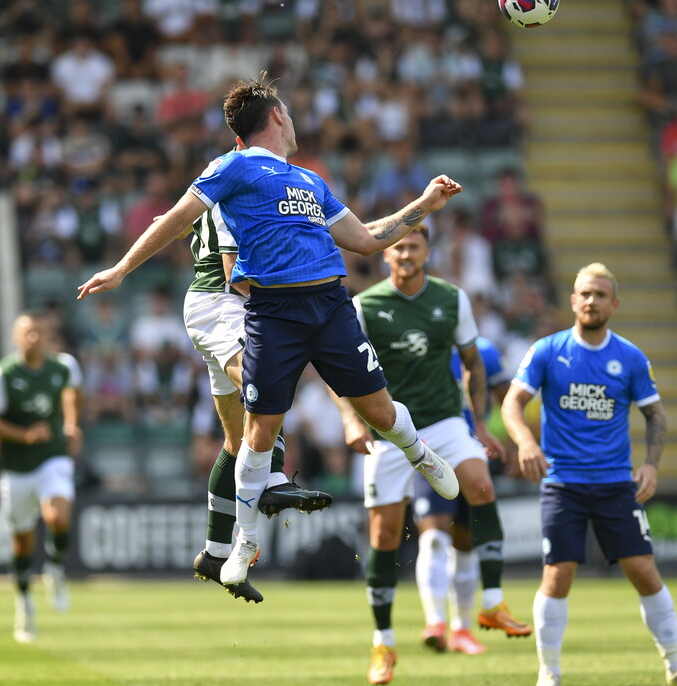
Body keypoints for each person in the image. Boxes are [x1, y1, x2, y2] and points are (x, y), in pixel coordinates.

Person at [77, 74, 461, 598]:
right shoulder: (232, 167)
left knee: (381, 412)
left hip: (330, 305)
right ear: (277, 115)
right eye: (290, 112)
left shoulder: (309, 181)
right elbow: (177, 218)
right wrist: (123, 268)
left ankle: (419, 454)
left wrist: (425, 205)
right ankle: (243, 541)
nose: (295, 120)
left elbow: (368, 240)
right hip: (272, 313)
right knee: (260, 431)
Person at [500, 263, 677, 686]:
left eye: (600, 294)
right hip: (563, 483)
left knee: (645, 572)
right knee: (557, 575)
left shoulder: (630, 358)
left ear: (614, 303)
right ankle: (550, 673)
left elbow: (655, 415)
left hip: (616, 483)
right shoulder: (547, 350)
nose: (591, 301)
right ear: (573, 300)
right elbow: (511, 404)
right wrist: (525, 442)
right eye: (584, 293)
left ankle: (676, 667)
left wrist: (651, 463)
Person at [339, 228, 528, 684]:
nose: (405, 253)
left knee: (480, 484)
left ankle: (492, 603)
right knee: (384, 535)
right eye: (398, 246)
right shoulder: (364, 306)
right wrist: (350, 420)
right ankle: (383, 644)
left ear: (427, 253)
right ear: (386, 255)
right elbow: (337, 366)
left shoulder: (452, 298)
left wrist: (480, 424)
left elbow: (473, 362)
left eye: (414, 246)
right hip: (387, 430)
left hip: (444, 421)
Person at [183, 201, 335, 603]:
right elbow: (235, 274)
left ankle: (215, 554)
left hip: (218, 307)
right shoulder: (238, 195)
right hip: (224, 304)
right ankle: (272, 478)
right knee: (267, 382)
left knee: (237, 443)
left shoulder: (217, 192)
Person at [0, 311, 83, 643]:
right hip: (15, 467)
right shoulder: (2, 374)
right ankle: (24, 601)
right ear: (16, 337)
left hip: (52, 456)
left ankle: (54, 567)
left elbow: (71, 393)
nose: (34, 338)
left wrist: (71, 423)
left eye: (39, 332)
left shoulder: (62, 366)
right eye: (28, 333)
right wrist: (23, 434)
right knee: (22, 541)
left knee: (58, 514)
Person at [410, 335, 512, 657]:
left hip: (473, 455)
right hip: (431, 452)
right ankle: (435, 623)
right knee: (434, 536)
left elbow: (508, 398)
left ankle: (462, 630)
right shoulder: (420, 345)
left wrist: (513, 441)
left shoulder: (485, 351)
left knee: (465, 542)